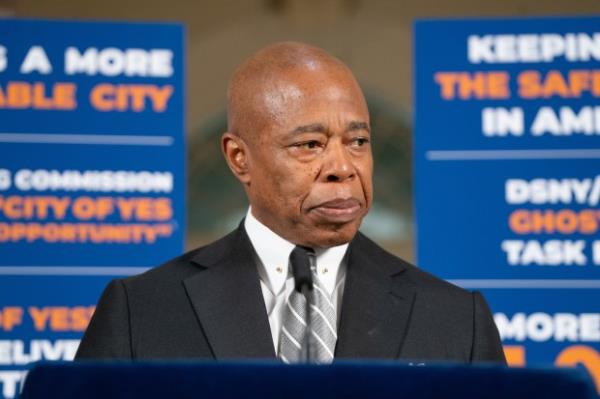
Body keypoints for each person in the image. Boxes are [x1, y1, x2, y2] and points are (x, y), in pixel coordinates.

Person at [75, 42, 506, 364]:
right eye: (310, 144)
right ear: (238, 158)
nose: (343, 167)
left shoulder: (456, 320)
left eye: (358, 141)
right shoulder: (139, 311)